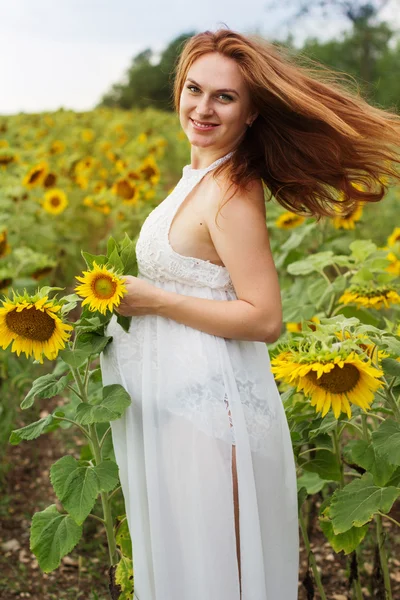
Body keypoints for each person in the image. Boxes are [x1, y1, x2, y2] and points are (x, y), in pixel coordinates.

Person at [100, 28, 400, 600]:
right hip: (179, 408)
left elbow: (265, 318)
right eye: (194, 89)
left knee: (216, 579)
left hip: (214, 414)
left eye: (225, 97)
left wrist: (153, 299)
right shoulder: (198, 178)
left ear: (252, 110)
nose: (203, 108)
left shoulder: (232, 191)